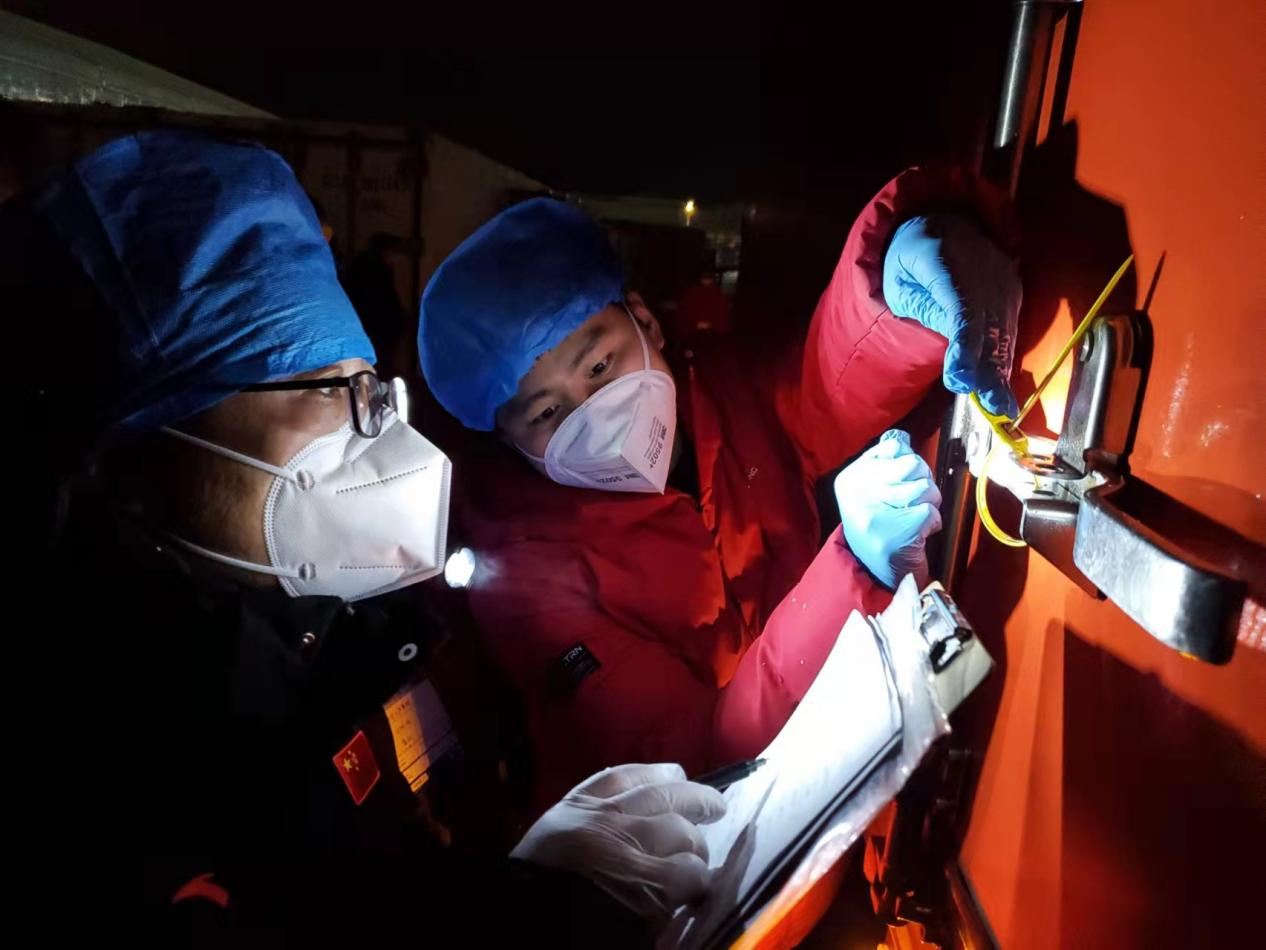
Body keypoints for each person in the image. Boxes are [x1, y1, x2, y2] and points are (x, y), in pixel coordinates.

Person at [10, 130, 725, 945]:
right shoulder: (68, 766)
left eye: (373, 394)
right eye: (328, 393)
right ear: (148, 446)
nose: (376, 440)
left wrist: (511, 894)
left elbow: (344, 891)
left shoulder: (310, 645)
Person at [417, 171, 1020, 807]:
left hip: (837, 788)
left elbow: (828, 380)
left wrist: (894, 298)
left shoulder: (726, 399)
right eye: (546, 413)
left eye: (599, 365)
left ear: (644, 322)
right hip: (703, 854)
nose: (592, 415)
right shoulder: (530, 579)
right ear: (508, 440)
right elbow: (694, 765)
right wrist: (853, 571)